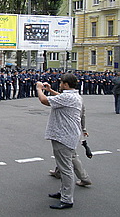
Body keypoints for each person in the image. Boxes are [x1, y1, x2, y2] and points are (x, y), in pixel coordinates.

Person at [36, 73, 83, 210]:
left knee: (66, 169)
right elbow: (59, 98)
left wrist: (39, 89)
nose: (60, 84)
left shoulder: (68, 97)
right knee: (63, 167)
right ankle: (64, 192)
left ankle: (67, 199)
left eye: (62, 83)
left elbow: (44, 101)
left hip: (64, 136)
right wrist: (50, 91)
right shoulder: (72, 96)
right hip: (65, 135)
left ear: (66, 85)